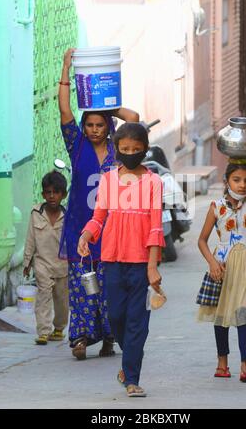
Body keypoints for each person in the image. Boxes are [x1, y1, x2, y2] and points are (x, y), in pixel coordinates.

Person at [58, 48, 140, 360]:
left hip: (112, 231)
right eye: (90, 124)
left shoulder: (122, 149)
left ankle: (108, 337)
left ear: (108, 127)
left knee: (109, 288)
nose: (94, 130)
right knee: (80, 285)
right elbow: (65, 111)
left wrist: (104, 103)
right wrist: (66, 71)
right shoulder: (76, 146)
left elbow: (132, 118)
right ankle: (79, 338)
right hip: (80, 228)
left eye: (99, 125)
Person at [77, 122, 165, 397]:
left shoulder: (153, 182)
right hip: (112, 259)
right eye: (125, 149)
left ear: (145, 150)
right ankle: (130, 362)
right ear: (116, 149)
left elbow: (155, 227)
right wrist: (85, 236)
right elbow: (99, 216)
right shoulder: (108, 180)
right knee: (116, 317)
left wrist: (152, 267)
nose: (130, 153)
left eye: (135, 149)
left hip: (141, 264)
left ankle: (131, 379)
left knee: (137, 321)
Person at [196, 128, 246, 383]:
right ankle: (222, 362)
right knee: (221, 316)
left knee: (244, 314)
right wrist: (211, 263)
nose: (243, 185)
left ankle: (245, 366)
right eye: (237, 180)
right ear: (226, 182)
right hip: (222, 266)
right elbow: (201, 240)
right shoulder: (216, 207)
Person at [23, 171, 69, 345]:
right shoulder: (36, 212)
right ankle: (43, 331)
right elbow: (30, 239)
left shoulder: (68, 215)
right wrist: (27, 262)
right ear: (43, 194)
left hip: (62, 265)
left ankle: (58, 328)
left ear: (63, 194)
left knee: (62, 301)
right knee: (43, 296)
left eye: (56, 192)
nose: (52, 196)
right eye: (48, 192)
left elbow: (73, 241)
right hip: (41, 263)